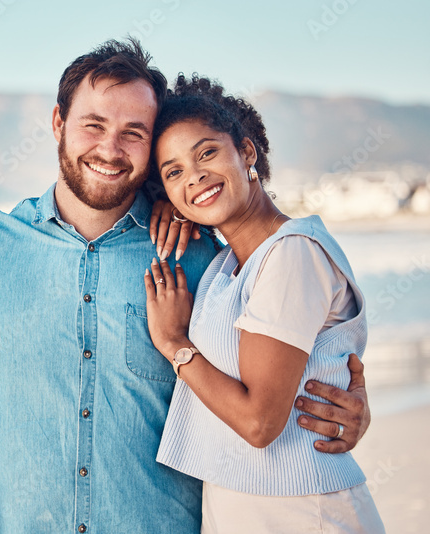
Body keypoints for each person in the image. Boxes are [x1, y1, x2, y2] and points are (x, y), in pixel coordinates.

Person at [0, 38, 372, 533]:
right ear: (59, 122)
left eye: (133, 132)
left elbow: (289, 355)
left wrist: (348, 404)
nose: (109, 148)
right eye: (94, 125)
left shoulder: (202, 255)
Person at [144, 74, 384, 533]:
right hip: (240, 508)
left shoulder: (292, 252)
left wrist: (175, 344)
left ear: (247, 153)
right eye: (173, 171)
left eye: (207, 153)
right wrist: (166, 201)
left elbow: (259, 424)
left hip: (303, 511)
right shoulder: (225, 266)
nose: (194, 175)